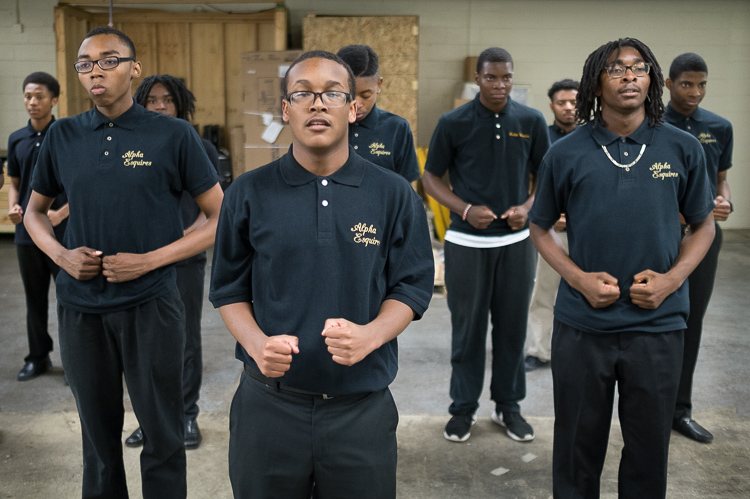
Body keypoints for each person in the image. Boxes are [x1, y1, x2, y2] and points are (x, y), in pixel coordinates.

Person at [209, 50, 433, 498]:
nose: (317, 104)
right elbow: (229, 288)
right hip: (269, 406)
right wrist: (256, 346)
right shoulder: (249, 192)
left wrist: (371, 335)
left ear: (353, 108)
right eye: (303, 94)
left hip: (360, 409)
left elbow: (411, 286)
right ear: (285, 109)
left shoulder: (392, 194)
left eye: (331, 93)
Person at [24, 27, 223, 498]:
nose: (96, 70)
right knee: (97, 439)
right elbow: (34, 212)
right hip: (80, 308)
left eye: (109, 60)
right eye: (85, 62)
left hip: (150, 304)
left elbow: (220, 214)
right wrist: (61, 255)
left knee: (163, 434)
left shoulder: (173, 135)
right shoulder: (63, 135)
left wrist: (150, 261)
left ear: (133, 69)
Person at [529, 38, 715, 498]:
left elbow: (703, 226)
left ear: (652, 79)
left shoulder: (682, 147)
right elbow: (539, 227)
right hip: (582, 326)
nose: (629, 75)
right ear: (596, 81)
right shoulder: (566, 153)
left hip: (658, 325)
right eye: (616, 69)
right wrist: (578, 279)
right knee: (576, 447)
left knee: (649, 451)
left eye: (638, 67)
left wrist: (672, 281)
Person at [422, 47, 549, 443]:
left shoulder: (531, 120)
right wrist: (464, 209)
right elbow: (430, 178)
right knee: (468, 330)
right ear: (477, 78)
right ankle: (463, 409)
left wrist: (527, 208)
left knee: (512, 328)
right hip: (465, 242)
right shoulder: (453, 122)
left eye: (506, 77)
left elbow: (545, 176)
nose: (500, 84)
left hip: (516, 242)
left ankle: (508, 407)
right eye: (491, 77)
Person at [121, 74, 221, 450]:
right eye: (152, 100)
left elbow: (210, 211)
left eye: (168, 100)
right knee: (143, 343)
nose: (160, 106)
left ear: (181, 105)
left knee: (183, 341)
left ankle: (186, 415)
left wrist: (180, 241)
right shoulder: (134, 147)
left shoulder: (198, 148)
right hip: (137, 262)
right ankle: (151, 421)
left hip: (183, 261)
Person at [665, 53, 734, 444]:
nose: (695, 92)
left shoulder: (718, 127)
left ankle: (680, 411)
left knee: (691, 323)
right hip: (661, 236)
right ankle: (648, 409)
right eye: (687, 84)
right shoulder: (653, 124)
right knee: (657, 323)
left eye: (702, 84)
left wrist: (725, 201)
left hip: (703, 235)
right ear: (669, 84)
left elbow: (721, 180)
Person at [7, 72, 68, 381]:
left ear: (54, 100)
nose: (33, 102)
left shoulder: (68, 135)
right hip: (27, 234)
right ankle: (38, 356)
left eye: (39, 96)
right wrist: (13, 206)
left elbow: (83, 187)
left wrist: (59, 214)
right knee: (34, 298)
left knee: (70, 297)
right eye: (28, 96)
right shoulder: (16, 138)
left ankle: (74, 360)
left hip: (63, 233)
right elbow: (14, 183)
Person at [524, 78, 578, 372]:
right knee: (544, 292)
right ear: (552, 106)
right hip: (552, 232)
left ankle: (580, 350)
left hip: (589, 233)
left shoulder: (596, 137)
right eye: (562, 103)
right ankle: (540, 350)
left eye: (574, 102)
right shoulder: (542, 138)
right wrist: (548, 216)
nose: (569, 108)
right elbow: (532, 182)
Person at [336, 44, 420, 184]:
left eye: (366, 95)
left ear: (379, 85)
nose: (356, 104)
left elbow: (406, 188)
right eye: (349, 95)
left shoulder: (397, 128)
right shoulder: (325, 126)